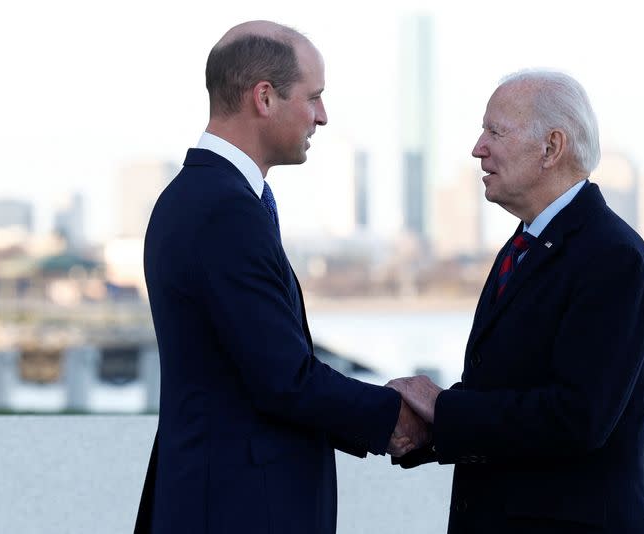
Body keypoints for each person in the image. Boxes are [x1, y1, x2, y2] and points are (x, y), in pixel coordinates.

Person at [134, 21, 427, 534]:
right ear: (264, 97)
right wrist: (398, 418)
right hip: (236, 510)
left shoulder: (201, 197)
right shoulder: (223, 209)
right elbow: (284, 379)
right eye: (313, 97)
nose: (323, 116)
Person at [389, 70, 644, 533]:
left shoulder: (611, 257)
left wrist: (442, 410)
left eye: (495, 131)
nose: (479, 148)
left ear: (551, 148)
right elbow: (507, 392)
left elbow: (577, 419)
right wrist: (429, 431)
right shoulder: (527, 246)